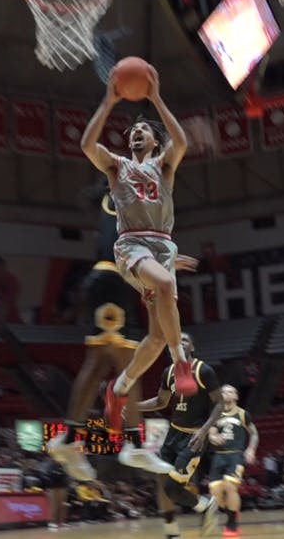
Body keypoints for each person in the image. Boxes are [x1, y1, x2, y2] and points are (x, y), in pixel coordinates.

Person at [47, 187, 195, 480]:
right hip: (113, 279)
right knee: (126, 363)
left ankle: (71, 439)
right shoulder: (124, 193)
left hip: (114, 281)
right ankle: (132, 444)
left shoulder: (121, 202)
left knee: (103, 363)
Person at [80, 65, 197, 434]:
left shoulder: (165, 167)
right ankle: (181, 365)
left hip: (161, 247)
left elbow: (182, 144)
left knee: (158, 335)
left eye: (143, 130)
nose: (135, 134)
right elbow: (86, 146)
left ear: (155, 141)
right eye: (132, 131)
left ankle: (119, 390)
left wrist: (156, 97)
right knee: (164, 286)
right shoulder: (117, 167)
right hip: (131, 245)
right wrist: (109, 100)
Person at [138, 333, 223, 538]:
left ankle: (205, 505)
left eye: (184, 340)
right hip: (173, 433)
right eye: (175, 341)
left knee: (172, 488)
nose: (179, 343)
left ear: (192, 347)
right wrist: (132, 407)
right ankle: (172, 531)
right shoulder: (168, 373)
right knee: (162, 480)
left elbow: (219, 403)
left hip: (194, 437)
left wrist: (204, 430)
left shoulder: (204, 370)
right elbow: (160, 401)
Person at [207, 385, 258, 539]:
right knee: (216, 492)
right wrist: (214, 438)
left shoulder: (243, 414)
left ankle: (231, 523)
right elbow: (211, 434)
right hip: (219, 455)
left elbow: (254, 433)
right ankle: (232, 511)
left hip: (235, 455)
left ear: (236, 396)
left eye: (229, 391)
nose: (225, 393)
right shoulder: (216, 414)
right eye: (223, 391)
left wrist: (251, 449)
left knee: (230, 487)